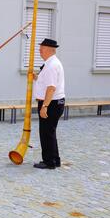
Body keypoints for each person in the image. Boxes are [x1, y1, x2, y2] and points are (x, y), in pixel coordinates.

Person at [32, 38, 65, 169]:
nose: (40, 50)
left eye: (42, 48)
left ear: (50, 50)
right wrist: (36, 78)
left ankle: (48, 162)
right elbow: (46, 82)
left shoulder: (51, 65)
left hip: (51, 103)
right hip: (54, 102)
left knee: (46, 133)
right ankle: (55, 159)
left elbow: (51, 88)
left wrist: (44, 106)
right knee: (50, 132)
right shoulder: (51, 63)